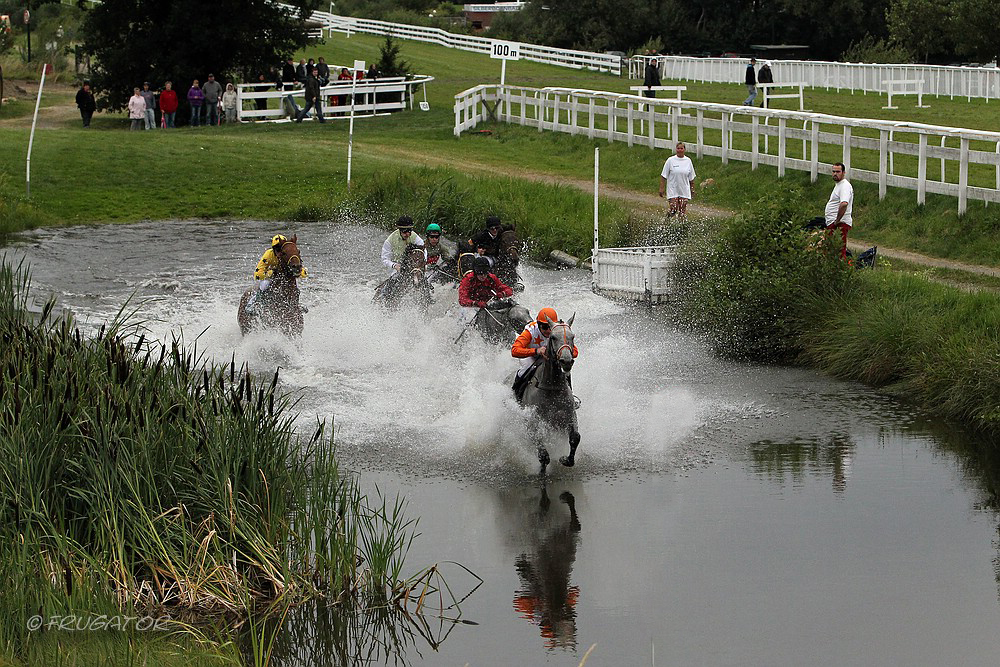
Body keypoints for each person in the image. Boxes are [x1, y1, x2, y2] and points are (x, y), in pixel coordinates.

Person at [511, 307, 578, 399]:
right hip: (530, 355)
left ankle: (571, 396)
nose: (548, 331)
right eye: (545, 327)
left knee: (566, 371)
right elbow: (514, 351)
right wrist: (536, 351)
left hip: (550, 356)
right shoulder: (530, 331)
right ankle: (516, 395)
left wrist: (562, 354)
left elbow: (575, 352)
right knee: (525, 369)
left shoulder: (559, 331)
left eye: (549, 327)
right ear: (538, 325)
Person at [247, 234, 308, 312]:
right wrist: (271, 273)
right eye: (277, 250)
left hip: (283, 276)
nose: (279, 253)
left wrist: (299, 272)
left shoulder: (288, 254)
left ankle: (296, 305)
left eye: (281, 250)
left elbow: (302, 271)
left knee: (295, 289)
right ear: (273, 250)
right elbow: (257, 274)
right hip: (269, 277)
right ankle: (253, 303)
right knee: (264, 285)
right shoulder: (268, 254)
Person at [458, 256, 513, 325]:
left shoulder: (491, 278)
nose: (483, 275)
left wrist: (502, 294)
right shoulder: (468, 280)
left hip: (488, 305)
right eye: (480, 273)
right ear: (475, 272)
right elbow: (462, 300)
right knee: (466, 318)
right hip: (471, 307)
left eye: (485, 272)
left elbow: (509, 290)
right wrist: (476, 303)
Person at [658, 141, 697, 217]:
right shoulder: (670, 160)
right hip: (673, 189)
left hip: (684, 189)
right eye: (678, 148)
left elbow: (691, 178)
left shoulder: (688, 161)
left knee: (682, 211)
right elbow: (663, 176)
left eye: (681, 148)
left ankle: (681, 226)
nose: (680, 150)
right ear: (676, 149)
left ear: (684, 149)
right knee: (674, 208)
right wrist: (661, 188)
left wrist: (692, 189)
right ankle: (666, 221)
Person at [825, 162, 854, 260]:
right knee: (830, 250)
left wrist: (836, 221)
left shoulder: (844, 186)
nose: (835, 174)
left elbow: (844, 204)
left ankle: (843, 271)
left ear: (843, 173)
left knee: (839, 252)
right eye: (833, 171)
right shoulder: (838, 185)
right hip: (834, 223)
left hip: (839, 224)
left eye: (838, 171)